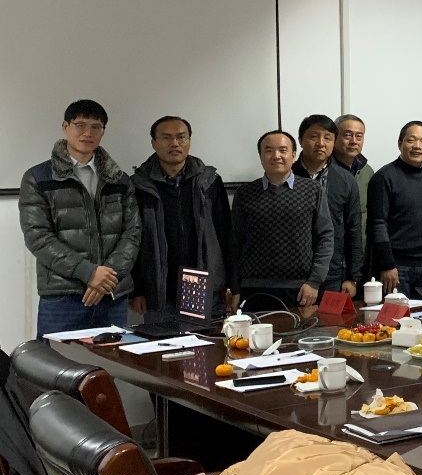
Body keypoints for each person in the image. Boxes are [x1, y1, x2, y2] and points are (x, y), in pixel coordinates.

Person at [20, 100, 140, 336]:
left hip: (111, 294)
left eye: (96, 127)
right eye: (80, 125)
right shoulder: (39, 177)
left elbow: (132, 233)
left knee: (111, 359)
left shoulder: (120, 179)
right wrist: (88, 272)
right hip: (63, 296)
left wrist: (107, 276)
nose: (88, 133)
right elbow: (38, 236)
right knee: (57, 359)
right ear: (65, 127)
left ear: (103, 132)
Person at [131, 116, 234, 321]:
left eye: (181, 137)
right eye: (166, 137)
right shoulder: (139, 185)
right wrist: (136, 290)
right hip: (159, 290)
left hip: (203, 286)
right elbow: (132, 240)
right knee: (162, 341)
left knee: (207, 341)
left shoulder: (209, 181)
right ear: (154, 143)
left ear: (189, 141)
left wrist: (231, 283)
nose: (175, 143)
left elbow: (225, 234)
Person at [231, 131, 333, 309]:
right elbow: (234, 243)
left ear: (293, 155)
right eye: (269, 151)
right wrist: (235, 288)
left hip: (301, 289)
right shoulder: (244, 193)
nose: (276, 156)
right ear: (261, 157)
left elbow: (325, 237)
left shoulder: (312, 189)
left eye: (283, 150)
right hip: (253, 288)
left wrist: (314, 281)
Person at [366, 121, 422, 296]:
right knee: (396, 314)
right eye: (411, 140)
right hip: (396, 268)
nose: (418, 146)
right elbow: (377, 225)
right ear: (400, 143)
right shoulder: (383, 177)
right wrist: (387, 264)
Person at [293, 114, 363, 299]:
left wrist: (352, 277)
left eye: (327, 138)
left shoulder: (345, 180)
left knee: (330, 319)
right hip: (294, 274)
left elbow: (353, 229)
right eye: (314, 137)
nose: (321, 143)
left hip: (333, 273)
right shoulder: (288, 176)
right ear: (301, 140)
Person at [333, 114, 373, 276]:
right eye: (348, 135)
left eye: (359, 136)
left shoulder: (367, 171)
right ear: (335, 137)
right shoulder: (324, 170)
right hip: (331, 260)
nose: (354, 141)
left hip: (362, 256)